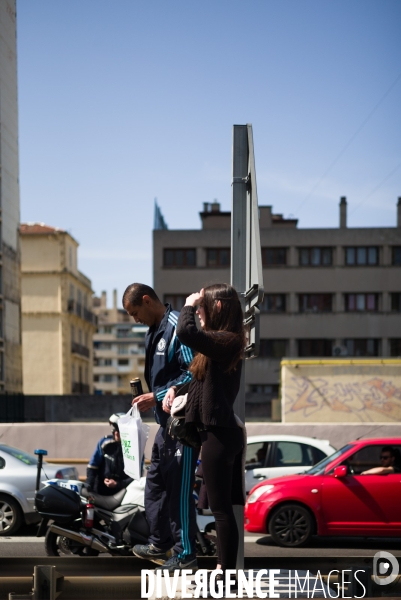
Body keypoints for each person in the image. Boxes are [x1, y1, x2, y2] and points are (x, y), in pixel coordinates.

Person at [163, 283, 245, 584]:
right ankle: (225, 571)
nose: (197, 312)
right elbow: (199, 383)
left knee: (221, 510)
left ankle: (226, 572)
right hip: (214, 434)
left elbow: (186, 332)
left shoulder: (228, 339)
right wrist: (175, 389)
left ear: (218, 307)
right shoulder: (215, 344)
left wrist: (186, 303)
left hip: (220, 435)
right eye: (195, 308)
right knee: (219, 508)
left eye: (201, 307)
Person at [122, 283, 198, 571]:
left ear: (146, 300)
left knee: (179, 491)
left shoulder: (178, 326)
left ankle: (186, 555)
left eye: (134, 312)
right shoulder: (152, 332)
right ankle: (160, 542)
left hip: (184, 426)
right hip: (165, 427)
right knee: (154, 486)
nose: (134, 318)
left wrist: (156, 395)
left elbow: (195, 372)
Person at [86, 413, 133, 496]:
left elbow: (135, 476)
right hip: (100, 490)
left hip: (123, 493)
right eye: (115, 429)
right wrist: (89, 486)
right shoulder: (105, 442)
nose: (116, 433)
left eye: (120, 429)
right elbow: (93, 467)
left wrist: (117, 484)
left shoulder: (133, 448)